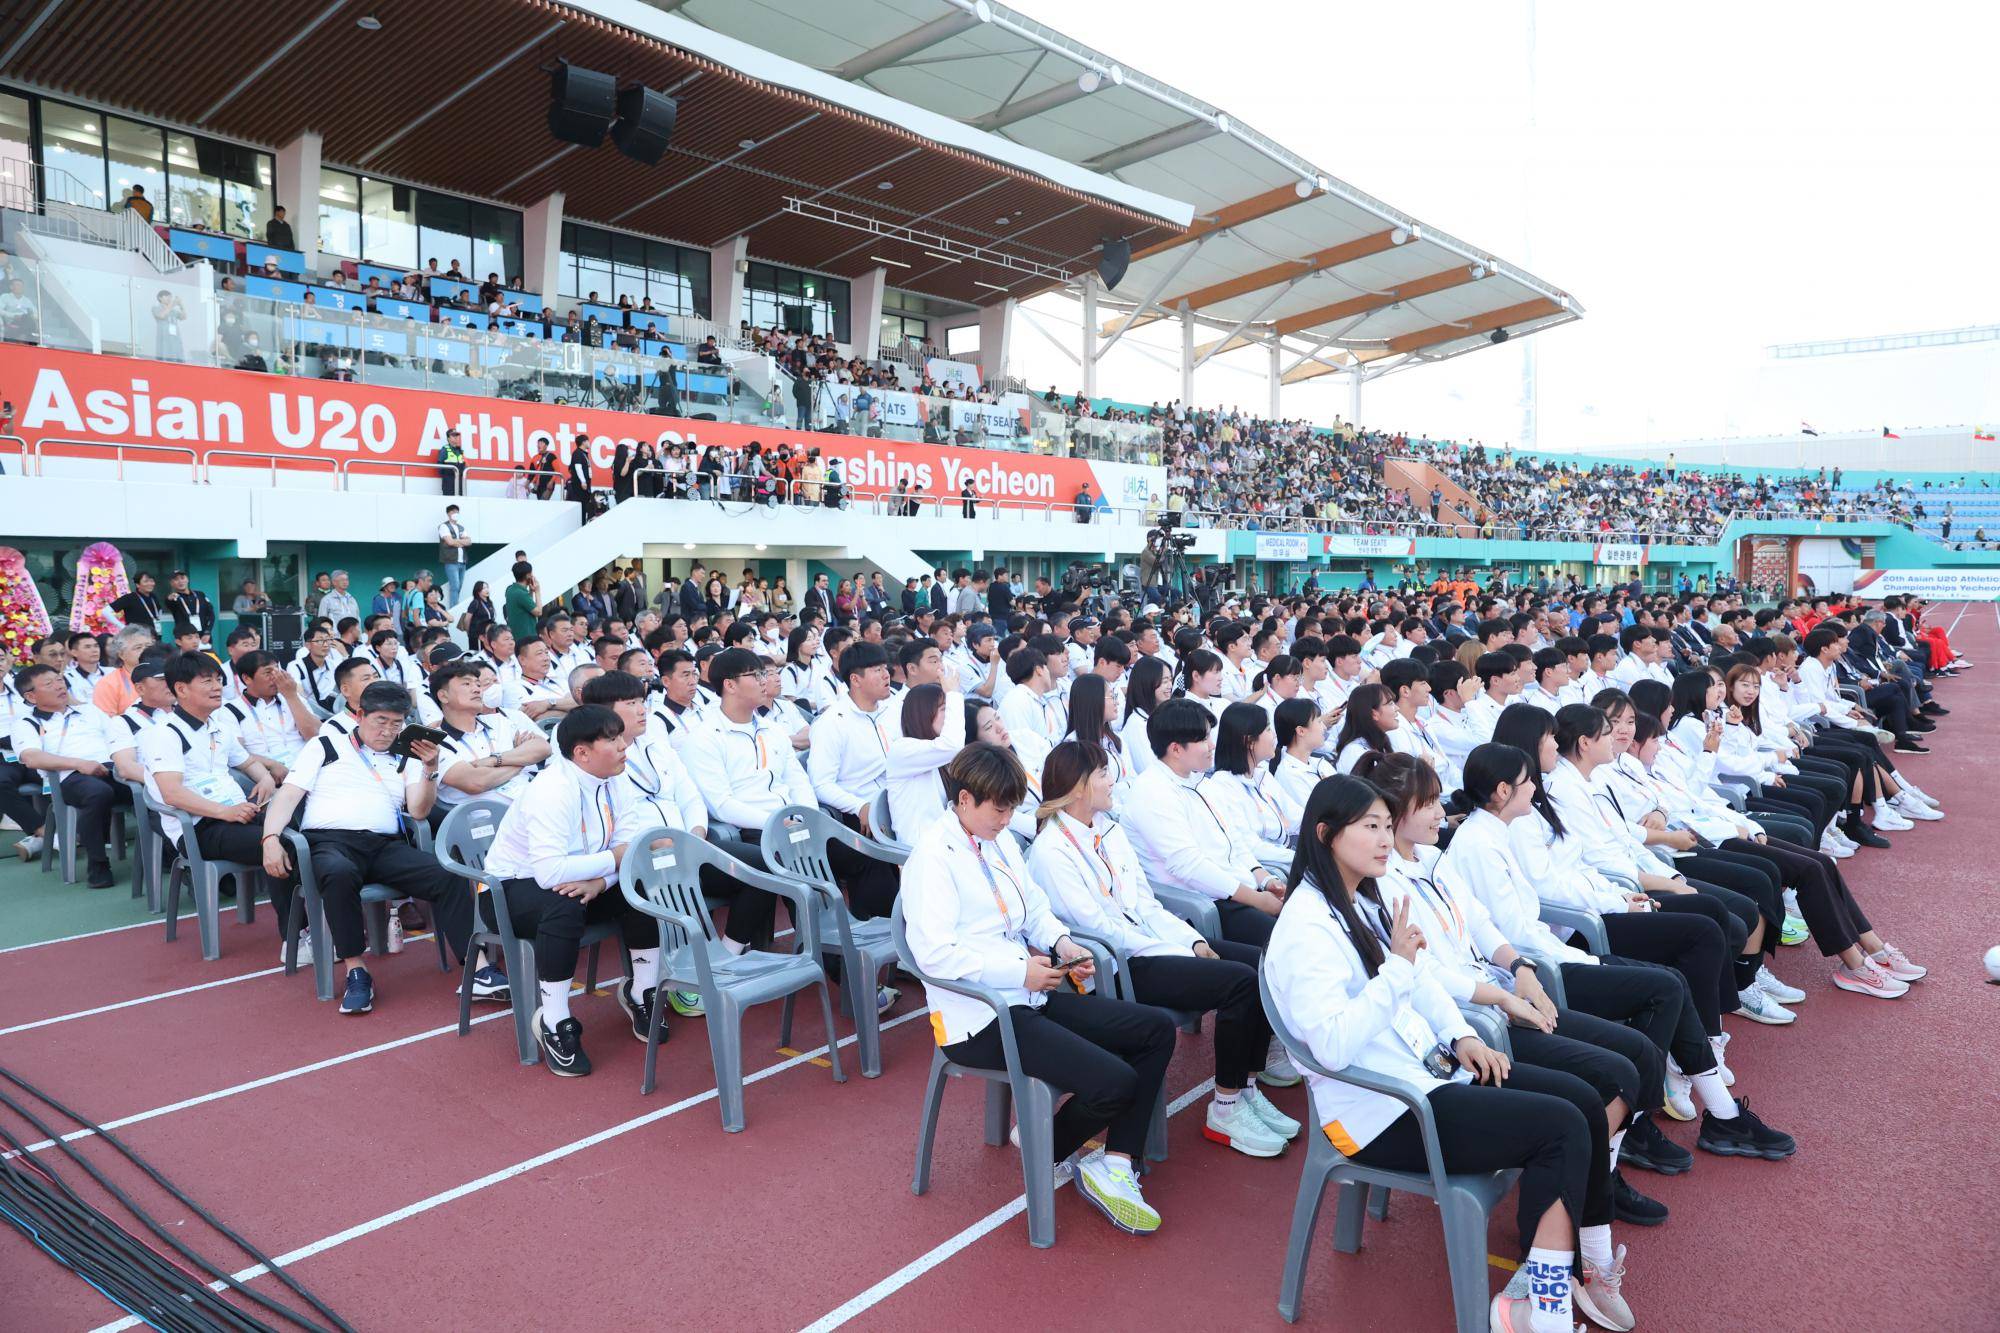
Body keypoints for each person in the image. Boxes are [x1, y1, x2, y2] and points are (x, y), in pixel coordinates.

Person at [1266, 773, 1637, 1333]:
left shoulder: (1363, 899)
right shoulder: (1304, 927)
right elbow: (1333, 1046)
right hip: (1383, 1113)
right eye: (1371, 827)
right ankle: (1543, 1308)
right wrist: (1396, 969)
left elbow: (1422, 983)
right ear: (1326, 834)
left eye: (1387, 825)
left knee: (1584, 1101)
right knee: (1560, 1127)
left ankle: (1585, 1261)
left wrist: (1461, 1035)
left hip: (1429, 1076)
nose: (1386, 839)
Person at [903, 743, 1176, 1235]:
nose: (1008, 819)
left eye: (1012, 808)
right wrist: (1018, 970)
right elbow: (935, 955)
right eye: (999, 809)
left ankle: (1115, 1162)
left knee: (1154, 1030)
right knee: (1115, 1081)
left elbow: (1034, 908)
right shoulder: (932, 858)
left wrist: (1063, 943)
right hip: (980, 1019)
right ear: (964, 800)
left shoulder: (997, 839)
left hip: (1028, 997)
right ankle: (1046, 1148)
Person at [1031, 739, 1299, 1157]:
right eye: (1102, 773)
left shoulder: (1108, 830)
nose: (1112, 780)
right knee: (1240, 982)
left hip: (1152, 944)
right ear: (1079, 786)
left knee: (1263, 965)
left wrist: (1191, 940)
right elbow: (1101, 931)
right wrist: (1174, 950)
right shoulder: (1051, 852)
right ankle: (1226, 1107)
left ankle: (1246, 1088)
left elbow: (1146, 905)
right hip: (1119, 966)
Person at [257, 682, 486, 1015]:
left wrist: (430, 770)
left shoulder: (407, 755)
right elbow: (288, 795)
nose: (388, 731)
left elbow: (418, 810)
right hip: (330, 842)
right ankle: (356, 970)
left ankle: (478, 969)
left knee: (447, 874)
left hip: (384, 846)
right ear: (360, 714)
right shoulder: (326, 745)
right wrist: (270, 839)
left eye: (396, 723)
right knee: (338, 872)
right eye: (381, 721)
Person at [480, 706, 667, 1077]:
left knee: (642, 887)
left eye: (621, 736)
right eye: (612, 739)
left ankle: (642, 991)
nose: (623, 745)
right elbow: (550, 872)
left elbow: (629, 849)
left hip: (585, 879)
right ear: (582, 753)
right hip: (509, 889)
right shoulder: (552, 790)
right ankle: (554, 1019)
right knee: (562, 906)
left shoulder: (616, 779)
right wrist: (613, 860)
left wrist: (602, 881)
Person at [141, 653, 298, 956]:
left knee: (305, 833)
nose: (217, 687)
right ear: (181, 689)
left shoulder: (218, 726)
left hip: (238, 815)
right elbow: (172, 794)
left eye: (218, 679)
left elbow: (247, 761)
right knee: (284, 845)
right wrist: (224, 811)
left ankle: (315, 925)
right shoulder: (164, 734)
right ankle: (296, 937)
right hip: (200, 828)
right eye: (207, 681)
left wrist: (265, 778)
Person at [1123, 699, 1291, 954]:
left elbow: (1235, 843)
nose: (1212, 745)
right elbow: (1190, 867)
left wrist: (1265, 879)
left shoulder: (1202, 782)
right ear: (1176, 749)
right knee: (1288, 946)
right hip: (1209, 902)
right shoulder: (1152, 792)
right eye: (1203, 739)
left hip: (1240, 890)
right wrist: (1257, 899)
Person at [679, 648, 816, 951]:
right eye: (755, 675)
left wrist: (808, 815)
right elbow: (721, 804)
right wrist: (777, 822)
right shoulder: (704, 737)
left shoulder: (772, 729)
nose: (764, 680)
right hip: (749, 827)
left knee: (848, 853)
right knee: (792, 861)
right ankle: (819, 952)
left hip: (789, 819)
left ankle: (842, 941)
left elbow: (797, 780)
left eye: (764, 673)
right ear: (729, 685)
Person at [10, 664, 131, 888]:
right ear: (31, 696)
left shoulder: (90, 711)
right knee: (98, 792)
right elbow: (32, 757)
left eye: (59, 680)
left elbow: (119, 739)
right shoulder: (26, 723)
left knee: (154, 787)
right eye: (49, 684)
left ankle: (168, 851)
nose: (59, 686)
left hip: (112, 768)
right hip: (69, 777)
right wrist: (80, 764)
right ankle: (98, 864)